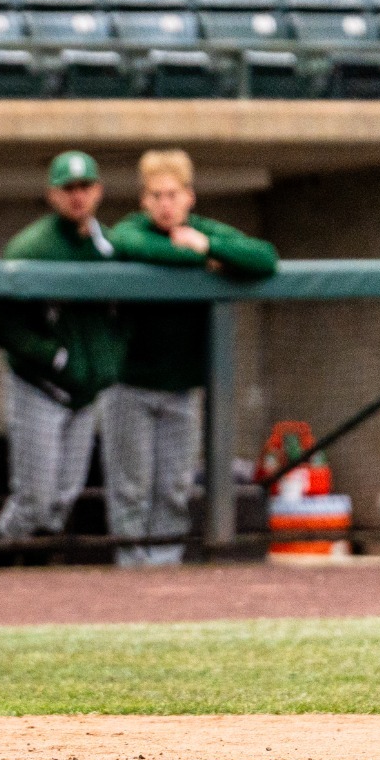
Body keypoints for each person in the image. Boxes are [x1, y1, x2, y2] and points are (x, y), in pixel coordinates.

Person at [106, 149, 278, 565]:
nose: (166, 204)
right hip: (130, 384)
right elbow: (136, 246)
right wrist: (206, 257)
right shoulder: (131, 230)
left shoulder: (203, 232)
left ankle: (164, 572)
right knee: (131, 489)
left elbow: (264, 258)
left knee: (173, 489)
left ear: (189, 197)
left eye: (173, 194)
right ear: (144, 200)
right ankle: (130, 578)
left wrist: (210, 244)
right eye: (156, 195)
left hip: (183, 388)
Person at [0, 152, 127, 557]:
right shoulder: (31, 246)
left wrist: (108, 363)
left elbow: (124, 318)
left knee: (64, 496)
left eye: (85, 187)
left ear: (98, 190)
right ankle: (0, 561)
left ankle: (39, 578)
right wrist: (54, 358)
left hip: (85, 393)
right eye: (68, 188)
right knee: (34, 495)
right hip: (40, 386)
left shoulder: (110, 247)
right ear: (52, 194)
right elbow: (1, 322)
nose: (78, 196)